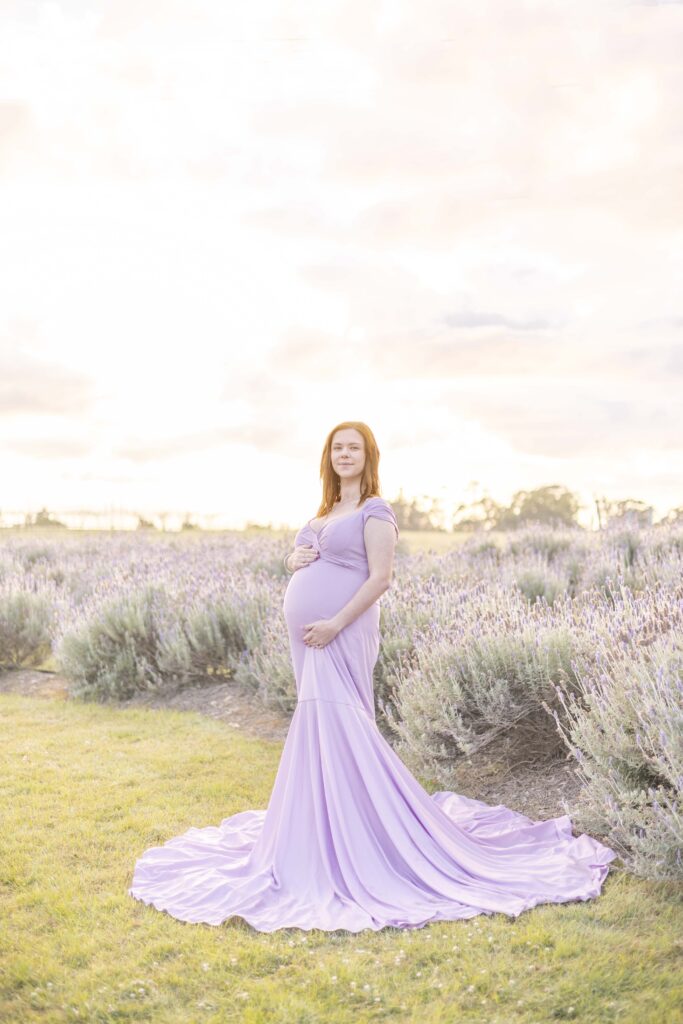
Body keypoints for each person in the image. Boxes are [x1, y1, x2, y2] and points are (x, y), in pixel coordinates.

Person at [128, 420, 616, 932]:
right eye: (337, 448)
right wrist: (293, 558)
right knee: (319, 725)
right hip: (309, 637)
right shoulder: (323, 512)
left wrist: (336, 623)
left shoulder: (374, 511)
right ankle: (321, 829)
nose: (344, 455)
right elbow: (300, 559)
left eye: (353, 448)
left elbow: (380, 578)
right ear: (328, 456)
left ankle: (359, 835)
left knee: (342, 722)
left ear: (368, 456)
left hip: (341, 632)